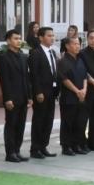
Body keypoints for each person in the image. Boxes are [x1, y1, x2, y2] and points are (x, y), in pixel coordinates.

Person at [0, 29, 32, 163]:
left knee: (21, 125)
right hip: (12, 97)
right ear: (8, 41)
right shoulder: (4, 57)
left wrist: (29, 96)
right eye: (15, 38)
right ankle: (10, 152)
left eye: (19, 38)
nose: (18, 41)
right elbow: (4, 80)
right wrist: (7, 98)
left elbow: (26, 78)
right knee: (11, 125)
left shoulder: (23, 57)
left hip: (23, 96)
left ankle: (17, 150)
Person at [28, 27, 59, 159]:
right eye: (49, 35)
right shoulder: (36, 53)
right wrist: (38, 91)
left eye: (53, 35)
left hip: (52, 91)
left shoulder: (52, 52)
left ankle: (43, 146)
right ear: (41, 37)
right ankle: (35, 148)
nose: (52, 38)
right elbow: (34, 74)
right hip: (41, 92)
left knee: (48, 120)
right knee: (39, 120)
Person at [58, 36, 89, 155]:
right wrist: (77, 91)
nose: (77, 46)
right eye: (74, 44)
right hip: (69, 97)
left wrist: (84, 90)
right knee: (68, 122)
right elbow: (64, 79)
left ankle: (76, 145)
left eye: (78, 44)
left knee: (79, 122)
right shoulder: (63, 61)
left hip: (82, 96)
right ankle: (66, 146)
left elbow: (85, 76)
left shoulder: (80, 60)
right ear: (67, 46)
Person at [80, 30, 94, 151]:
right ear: (87, 39)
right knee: (84, 117)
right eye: (91, 38)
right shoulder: (82, 53)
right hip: (87, 89)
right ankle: (82, 143)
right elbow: (83, 70)